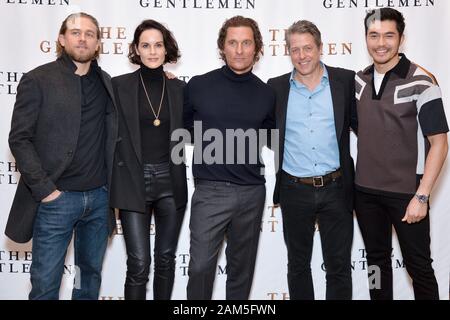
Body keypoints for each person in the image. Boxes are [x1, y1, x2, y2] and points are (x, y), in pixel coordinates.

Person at [5, 12, 117, 300]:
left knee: (88, 277)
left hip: (99, 199)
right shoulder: (38, 79)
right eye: (76, 32)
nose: (83, 38)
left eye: (90, 33)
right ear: (62, 38)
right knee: (45, 282)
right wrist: (45, 190)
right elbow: (19, 138)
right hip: (57, 200)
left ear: (98, 43)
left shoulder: (107, 83)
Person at [354, 8, 448, 300]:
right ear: (366, 38)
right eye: (374, 35)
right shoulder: (358, 81)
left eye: (388, 35)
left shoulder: (422, 80)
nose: (380, 43)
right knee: (376, 265)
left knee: (419, 267)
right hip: (365, 192)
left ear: (401, 39)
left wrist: (422, 196)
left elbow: (440, 143)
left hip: (407, 194)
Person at [183, 15, 275, 300]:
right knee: (199, 267)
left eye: (246, 43)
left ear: (256, 48)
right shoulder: (198, 85)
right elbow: (185, 129)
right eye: (232, 42)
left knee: (241, 271)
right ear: (222, 47)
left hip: (252, 192)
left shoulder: (267, 93)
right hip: (210, 191)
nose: (239, 49)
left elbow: (272, 136)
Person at [267, 20, 357, 300]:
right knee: (297, 266)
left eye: (308, 48)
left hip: (337, 188)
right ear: (288, 52)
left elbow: (368, 125)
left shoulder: (345, 80)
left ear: (320, 48)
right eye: (295, 50)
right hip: (294, 189)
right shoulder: (276, 88)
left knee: (339, 267)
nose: (302, 55)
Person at [109, 20, 187, 300]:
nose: (152, 51)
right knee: (139, 264)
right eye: (145, 45)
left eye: (158, 45)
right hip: (133, 183)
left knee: (166, 259)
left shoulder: (180, 89)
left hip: (171, 181)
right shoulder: (118, 87)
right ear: (136, 50)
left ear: (167, 50)